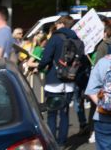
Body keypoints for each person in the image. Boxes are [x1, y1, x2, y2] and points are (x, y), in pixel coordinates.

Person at [38, 15, 85, 147]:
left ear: (62, 24)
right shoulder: (77, 39)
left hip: (53, 81)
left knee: (52, 114)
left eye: (57, 23)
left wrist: (40, 67)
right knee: (64, 113)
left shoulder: (55, 38)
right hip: (69, 81)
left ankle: (52, 144)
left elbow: (46, 59)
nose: (56, 26)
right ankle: (63, 142)